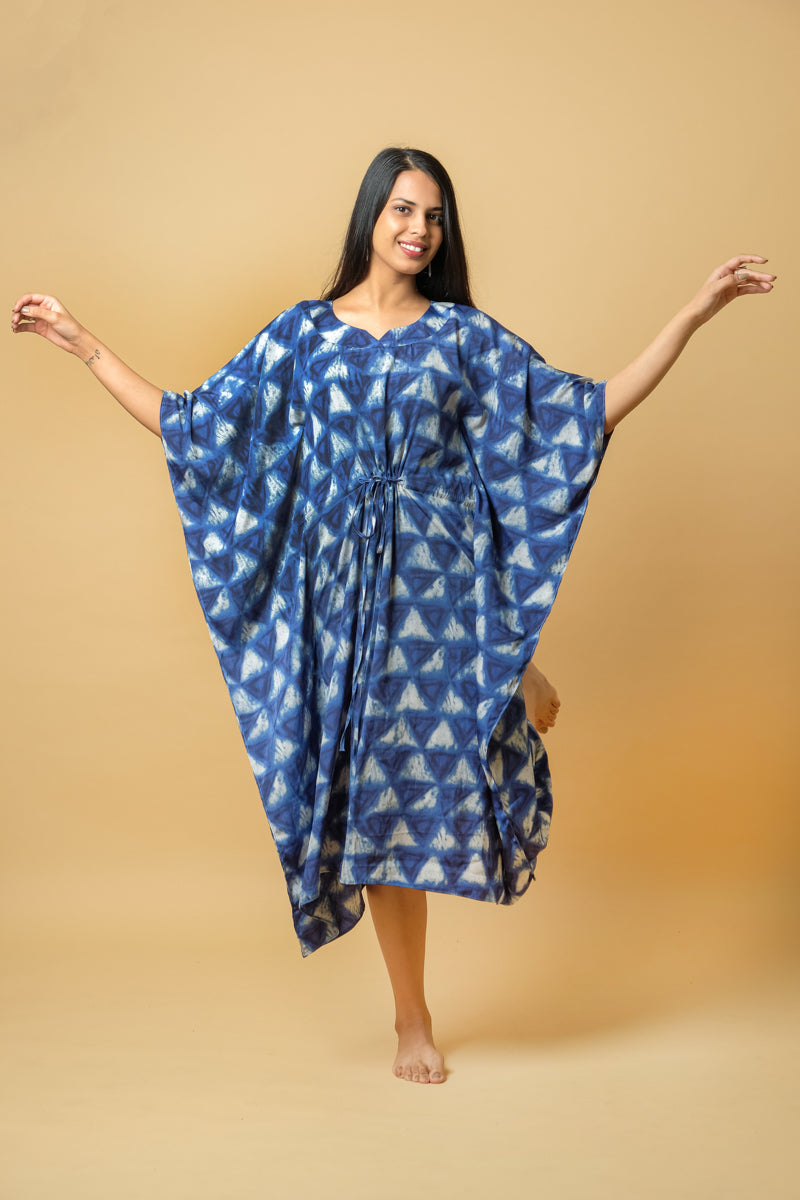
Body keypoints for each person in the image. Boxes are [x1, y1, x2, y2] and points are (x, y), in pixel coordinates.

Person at [11, 147, 775, 1086]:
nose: (420, 229)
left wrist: (692, 316)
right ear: (372, 214)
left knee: (425, 792)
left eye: (435, 216)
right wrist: (85, 344)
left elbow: (582, 417)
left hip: (442, 597)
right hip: (345, 605)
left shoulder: (460, 337)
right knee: (373, 807)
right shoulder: (302, 336)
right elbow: (195, 425)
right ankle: (413, 1015)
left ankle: (506, 665)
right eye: (405, 210)